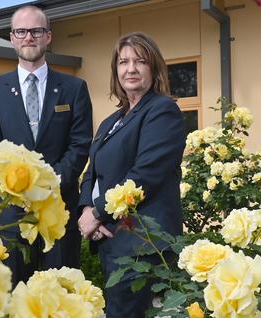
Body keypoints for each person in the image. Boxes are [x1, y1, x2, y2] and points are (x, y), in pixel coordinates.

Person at [0, 5, 93, 287]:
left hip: (58, 210)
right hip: (11, 214)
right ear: (12, 38)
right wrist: (20, 190)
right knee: (15, 293)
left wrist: (46, 185)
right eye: (21, 31)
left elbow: (79, 146)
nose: (28, 36)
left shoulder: (74, 89)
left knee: (61, 293)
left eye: (36, 31)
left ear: (48, 36)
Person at [77, 32, 185, 318]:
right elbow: (92, 171)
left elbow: (144, 175)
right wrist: (87, 208)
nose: (131, 68)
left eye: (140, 61)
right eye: (123, 62)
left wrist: (98, 213)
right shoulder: (110, 121)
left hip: (145, 246)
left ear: (154, 68)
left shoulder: (163, 111)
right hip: (113, 241)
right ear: (116, 70)